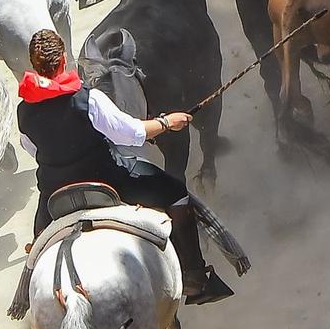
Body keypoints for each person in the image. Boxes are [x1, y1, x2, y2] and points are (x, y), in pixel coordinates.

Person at [17, 27, 232, 304]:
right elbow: (130, 134)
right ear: (62, 61)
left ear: (35, 66)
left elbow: (32, 149)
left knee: (39, 245)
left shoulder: (24, 110)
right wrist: (168, 122)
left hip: (53, 192)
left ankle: (27, 297)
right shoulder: (88, 99)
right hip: (108, 179)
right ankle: (194, 277)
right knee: (177, 193)